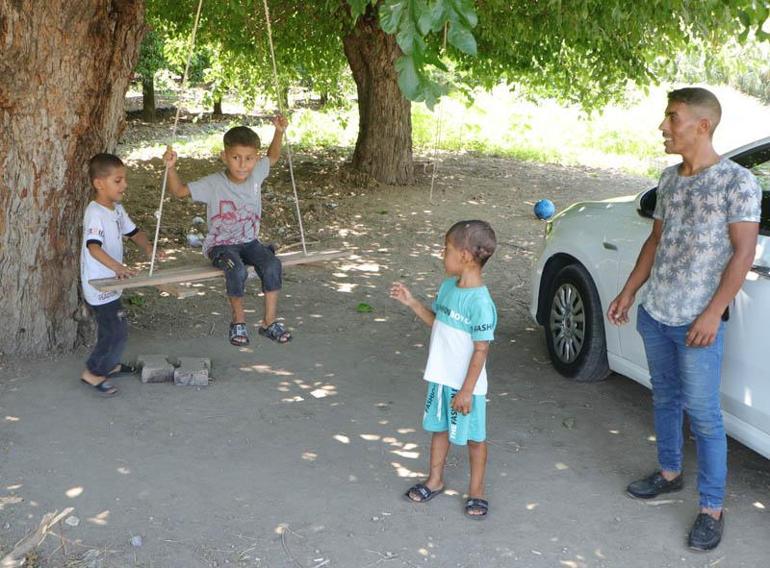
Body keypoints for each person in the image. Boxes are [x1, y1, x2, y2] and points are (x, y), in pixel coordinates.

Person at [607, 87, 762, 551]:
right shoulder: (669, 179)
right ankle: (670, 472)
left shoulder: (737, 183)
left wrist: (713, 313)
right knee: (665, 400)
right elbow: (655, 243)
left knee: (706, 417)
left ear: (702, 125)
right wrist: (630, 291)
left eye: (672, 118)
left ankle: (711, 508)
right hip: (657, 313)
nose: (663, 127)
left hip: (698, 323)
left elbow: (744, 252)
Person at [390, 220, 498, 519]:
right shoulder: (448, 287)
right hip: (440, 380)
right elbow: (439, 323)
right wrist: (412, 302)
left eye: (446, 249)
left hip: (468, 388)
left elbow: (481, 350)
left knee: (475, 439)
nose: (442, 254)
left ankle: (476, 491)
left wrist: (466, 391)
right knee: (439, 431)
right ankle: (434, 480)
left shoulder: (481, 303)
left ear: (464, 255)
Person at [163, 118, 292, 346]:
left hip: (249, 241)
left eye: (249, 158)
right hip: (221, 246)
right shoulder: (214, 183)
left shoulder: (256, 174)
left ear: (255, 158)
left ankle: (269, 322)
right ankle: (238, 322)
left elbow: (272, 157)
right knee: (237, 269)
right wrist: (171, 168)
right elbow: (179, 191)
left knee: (272, 264)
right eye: (236, 158)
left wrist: (279, 131)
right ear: (224, 156)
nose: (243, 165)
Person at [80, 153, 156, 396]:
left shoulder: (117, 210)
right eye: (118, 180)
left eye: (124, 179)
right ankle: (93, 372)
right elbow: (93, 248)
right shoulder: (95, 213)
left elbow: (134, 233)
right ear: (99, 184)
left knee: (110, 328)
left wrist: (148, 247)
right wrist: (118, 268)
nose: (124, 185)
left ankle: (108, 364)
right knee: (118, 329)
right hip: (99, 285)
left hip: (112, 282)